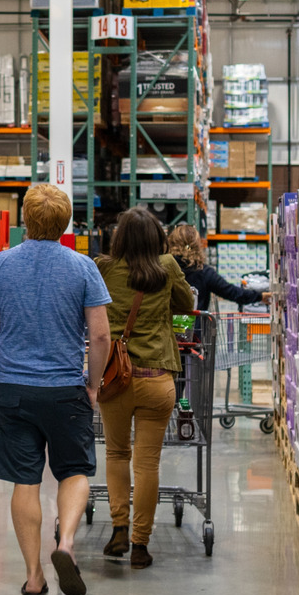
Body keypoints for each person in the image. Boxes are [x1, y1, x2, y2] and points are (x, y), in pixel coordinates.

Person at [0, 185, 111, 595]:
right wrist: (92, 385)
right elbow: (101, 335)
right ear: (66, 221)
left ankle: (34, 577)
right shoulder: (83, 266)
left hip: (14, 389)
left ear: (25, 220)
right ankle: (66, 542)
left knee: (25, 481)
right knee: (74, 471)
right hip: (65, 388)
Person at [96, 209, 196, 569]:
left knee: (116, 454)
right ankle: (141, 544)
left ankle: (119, 527)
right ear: (157, 237)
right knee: (147, 462)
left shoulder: (103, 268)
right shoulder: (167, 266)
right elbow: (187, 305)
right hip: (158, 380)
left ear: (118, 237)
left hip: (116, 379)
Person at [168, 224, 268, 308]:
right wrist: (259, 296)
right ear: (197, 246)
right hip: (194, 328)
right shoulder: (203, 272)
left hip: (167, 327)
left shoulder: (164, 268)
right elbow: (232, 292)